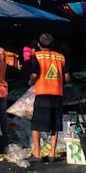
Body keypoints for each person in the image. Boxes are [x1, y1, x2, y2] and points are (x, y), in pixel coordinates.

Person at [29, 32, 70, 163]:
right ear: (53, 45)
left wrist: (30, 82)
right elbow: (67, 77)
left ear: (39, 45)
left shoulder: (37, 55)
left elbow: (35, 74)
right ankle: (52, 153)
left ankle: (37, 153)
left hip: (42, 94)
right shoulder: (61, 57)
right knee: (55, 125)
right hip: (57, 94)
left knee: (36, 125)